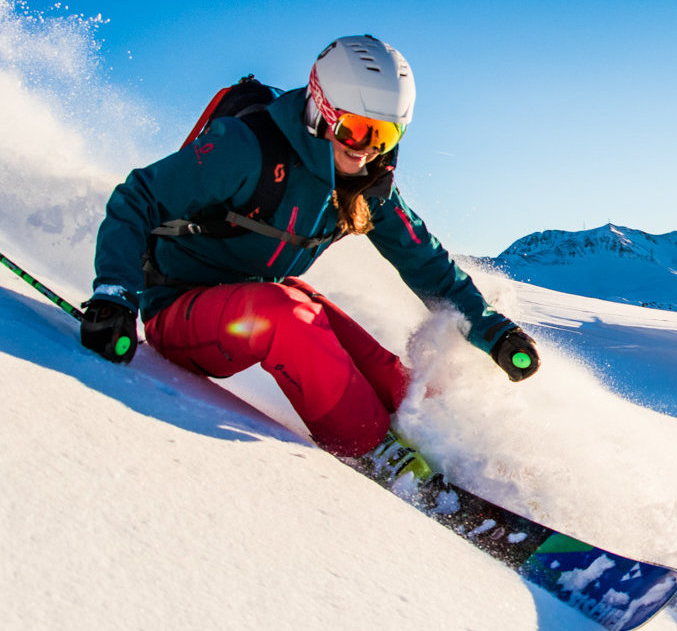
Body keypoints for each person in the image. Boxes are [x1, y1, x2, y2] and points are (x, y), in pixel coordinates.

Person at [79, 35, 539, 466]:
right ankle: (377, 455)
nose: (367, 151)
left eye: (385, 136)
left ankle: (437, 438)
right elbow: (138, 197)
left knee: (318, 316)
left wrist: (495, 333)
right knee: (287, 313)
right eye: (357, 130)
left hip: (254, 300)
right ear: (321, 109)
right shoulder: (245, 148)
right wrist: (115, 294)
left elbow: (428, 264)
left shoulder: (367, 187)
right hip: (178, 308)